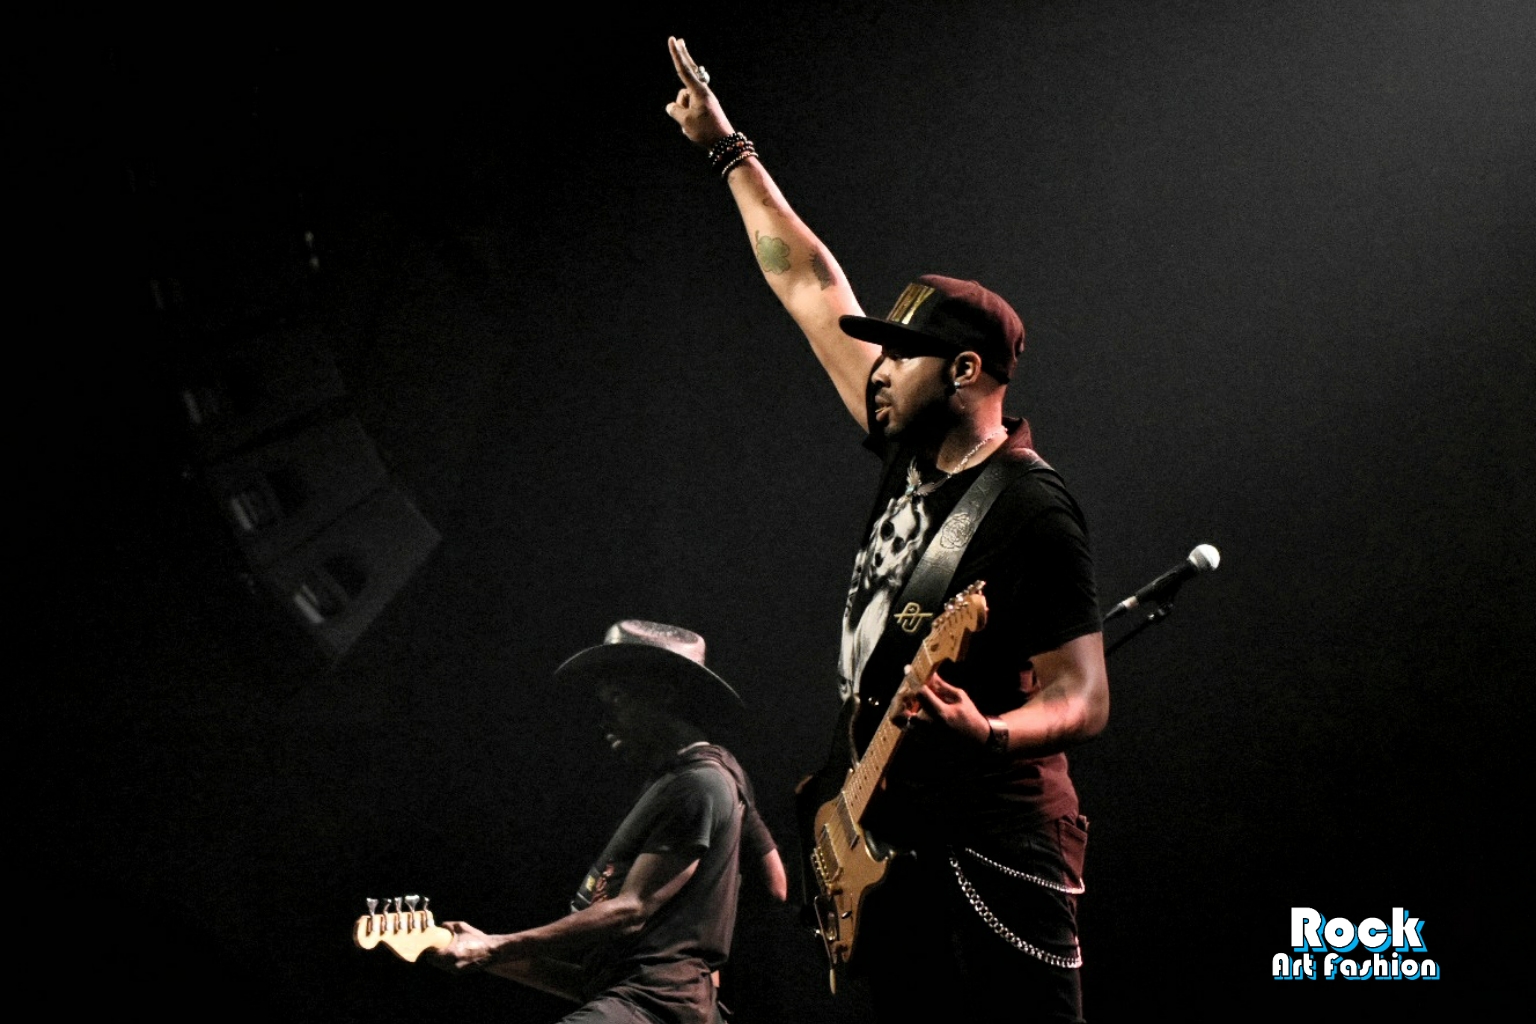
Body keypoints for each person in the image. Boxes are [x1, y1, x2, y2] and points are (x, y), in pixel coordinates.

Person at [662, 37, 1111, 1022]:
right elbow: (809, 286)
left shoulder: (1031, 507)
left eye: (902, 358)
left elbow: (1085, 695)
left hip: (1001, 845)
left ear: (963, 373)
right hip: (892, 833)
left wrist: (989, 730)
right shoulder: (909, 452)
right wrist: (728, 148)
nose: (878, 372)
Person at [426, 619, 787, 1024]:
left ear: (663, 695)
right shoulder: (720, 775)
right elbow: (775, 885)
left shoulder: (697, 785)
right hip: (655, 1001)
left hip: (653, 1006)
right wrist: (487, 953)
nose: (605, 719)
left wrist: (497, 946)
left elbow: (631, 908)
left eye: (617, 698)